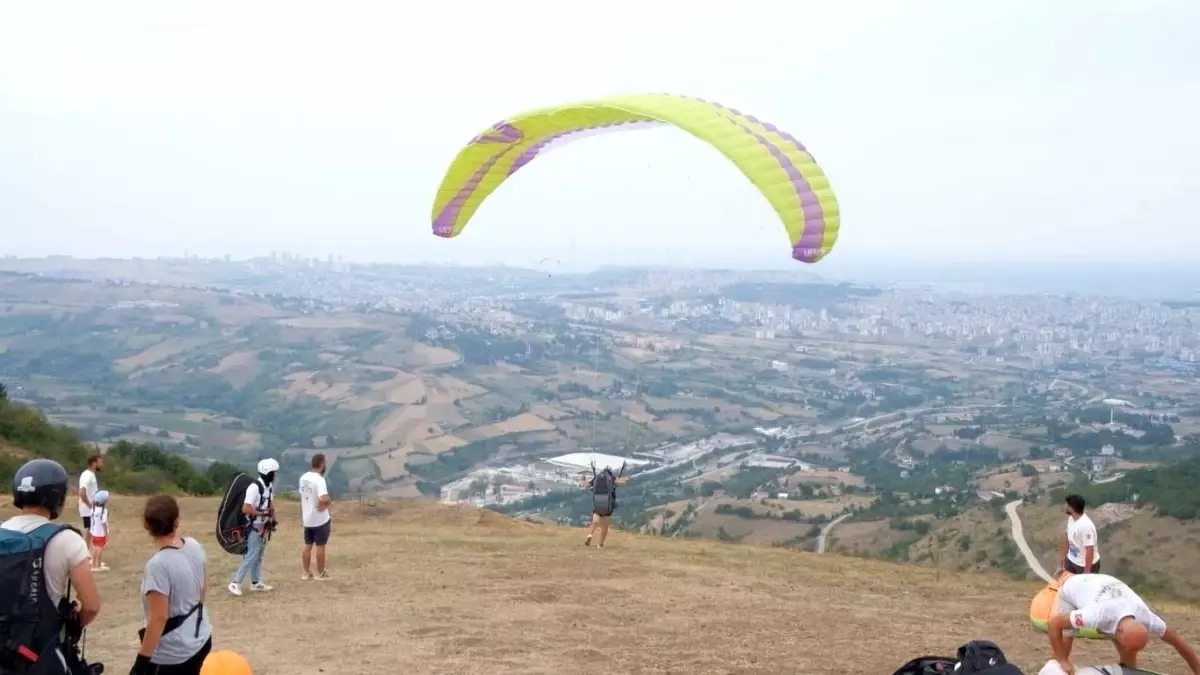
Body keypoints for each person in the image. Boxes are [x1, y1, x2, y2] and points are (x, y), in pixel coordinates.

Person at [0, 458, 103, 674]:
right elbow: (92, 605)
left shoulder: (2, 533)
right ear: (57, 496)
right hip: (41, 653)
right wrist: (74, 627)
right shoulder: (67, 539)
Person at [1046, 572, 1200, 674]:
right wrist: (1062, 659)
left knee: (1129, 656)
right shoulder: (1096, 615)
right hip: (1074, 588)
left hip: (1107, 585)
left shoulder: (1146, 617)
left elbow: (1180, 644)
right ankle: (1056, 667)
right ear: (1117, 631)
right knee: (1065, 643)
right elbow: (1055, 624)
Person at [132, 494, 213, 675]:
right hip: (202, 636)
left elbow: (159, 619)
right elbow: (202, 594)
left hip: (175, 653)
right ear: (176, 520)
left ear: (147, 525)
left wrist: (141, 663)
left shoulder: (158, 565)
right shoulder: (194, 545)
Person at [227, 457, 278, 596]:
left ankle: (255, 582)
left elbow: (270, 503)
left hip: (263, 525)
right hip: (253, 525)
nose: (275, 475)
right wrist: (262, 512)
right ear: (268, 473)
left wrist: (272, 518)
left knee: (259, 554)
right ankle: (235, 582)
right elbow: (246, 508)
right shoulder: (254, 487)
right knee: (251, 554)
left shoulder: (268, 487)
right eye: (273, 472)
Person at [299, 453, 333, 581]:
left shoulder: (303, 478)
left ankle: (306, 572)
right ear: (322, 464)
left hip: (307, 518)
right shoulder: (319, 479)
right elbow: (323, 498)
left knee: (307, 545)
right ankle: (321, 573)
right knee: (320, 546)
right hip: (319, 519)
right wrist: (328, 503)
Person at [578, 464, 629, 548]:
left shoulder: (597, 477)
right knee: (604, 527)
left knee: (595, 522)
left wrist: (583, 478)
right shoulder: (611, 478)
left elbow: (586, 485)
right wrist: (627, 479)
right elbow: (622, 482)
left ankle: (590, 535)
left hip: (598, 503)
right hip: (607, 506)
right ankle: (600, 544)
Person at [1059, 494, 1100, 575]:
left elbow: (1090, 549)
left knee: (1084, 587)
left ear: (1071, 508)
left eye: (1066, 504)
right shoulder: (1071, 519)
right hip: (1072, 560)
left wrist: (1087, 572)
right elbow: (1068, 538)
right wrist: (1062, 560)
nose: (1064, 506)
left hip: (1084, 565)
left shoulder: (1085, 526)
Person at [77, 454, 102, 548]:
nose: (101, 464)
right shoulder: (87, 475)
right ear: (94, 463)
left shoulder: (91, 474)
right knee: (89, 531)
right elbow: (82, 492)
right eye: (100, 462)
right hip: (88, 509)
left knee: (91, 531)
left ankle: (88, 555)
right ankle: (85, 555)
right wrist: (90, 505)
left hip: (91, 509)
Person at [88, 490, 110, 572]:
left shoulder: (92, 510)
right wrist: (106, 534)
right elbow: (104, 523)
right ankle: (98, 565)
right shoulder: (104, 511)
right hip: (101, 534)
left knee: (95, 548)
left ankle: (94, 564)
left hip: (94, 533)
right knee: (100, 549)